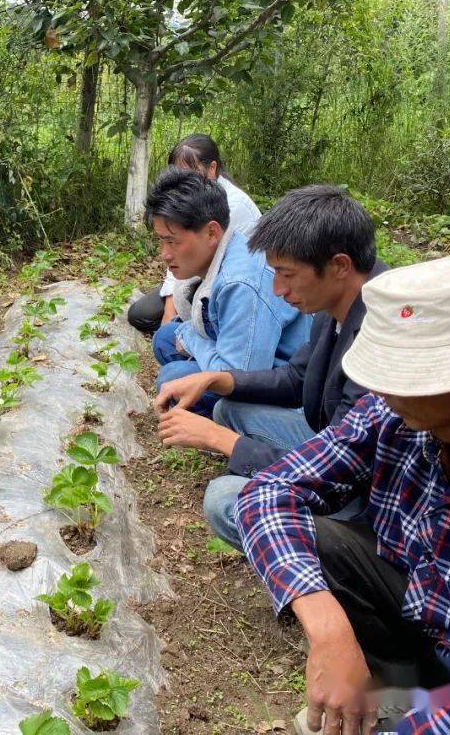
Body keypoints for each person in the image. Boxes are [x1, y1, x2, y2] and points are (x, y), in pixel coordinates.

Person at [236, 252, 450, 734]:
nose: (376, 387)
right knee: (323, 542)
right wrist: (328, 629)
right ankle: (398, 692)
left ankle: (407, 711)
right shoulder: (392, 416)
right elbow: (267, 493)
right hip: (426, 625)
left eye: (397, 374)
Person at [155, 185, 387, 551]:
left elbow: (341, 470)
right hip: (332, 442)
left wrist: (220, 440)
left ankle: (336, 557)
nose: (277, 289)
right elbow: (296, 378)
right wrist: (217, 378)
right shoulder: (340, 302)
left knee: (224, 500)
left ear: (339, 265)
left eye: (288, 275)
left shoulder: (379, 337)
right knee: (227, 405)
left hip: (360, 491)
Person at [145, 167, 309, 417]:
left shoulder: (240, 283)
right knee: (165, 337)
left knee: (171, 376)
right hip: (253, 356)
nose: (165, 254)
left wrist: (191, 336)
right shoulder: (228, 248)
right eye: (162, 241)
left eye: (173, 242)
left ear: (212, 232)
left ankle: (227, 422)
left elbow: (240, 375)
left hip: (280, 377)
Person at [128, 134, 262, 334]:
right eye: (177, 173)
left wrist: (175, 318)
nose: (182, 182)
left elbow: (207, 268)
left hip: (224, 281)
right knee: (141, 314)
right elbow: (178, 251)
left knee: (174, 330)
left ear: (212, 168)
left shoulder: (231, 207)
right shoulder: (190, 200)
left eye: (190, 173)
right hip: (198, 270)